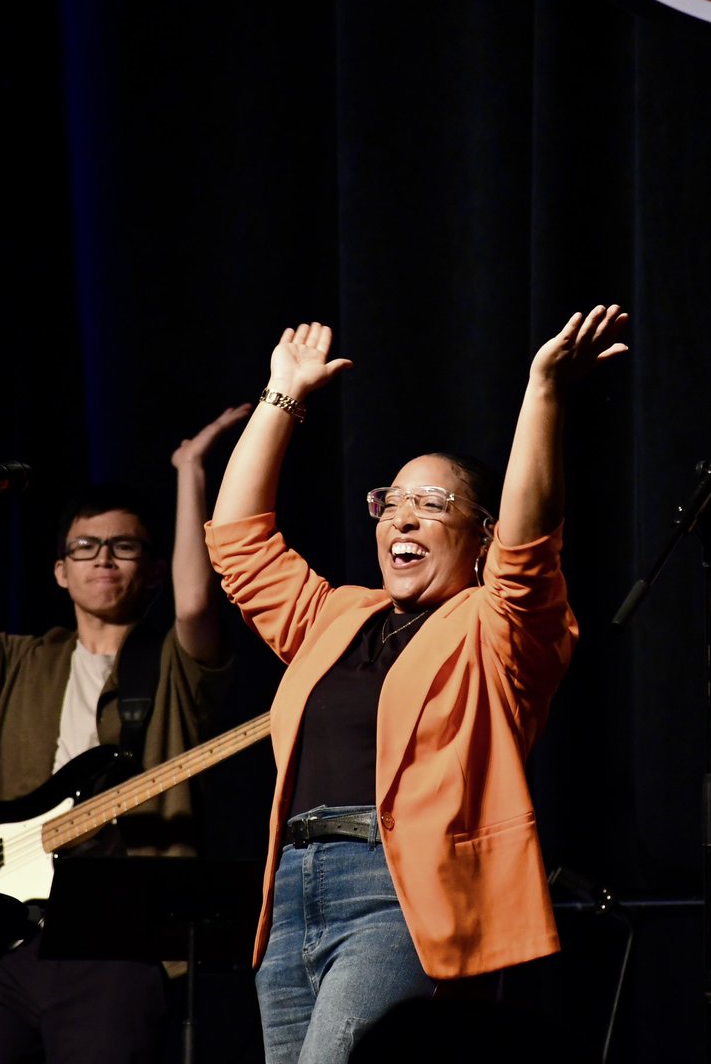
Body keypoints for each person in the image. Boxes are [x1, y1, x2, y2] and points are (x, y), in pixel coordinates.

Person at [205, 308, 628, 1064]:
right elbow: (238, 543)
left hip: (397, 893)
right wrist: (283, 397)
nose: (403, 516)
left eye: (432, 505)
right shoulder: (336, 615)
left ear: (480, 535)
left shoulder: (498, 628)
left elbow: (532, 543)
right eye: (390, 501)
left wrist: (544, 394)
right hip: (292, 889)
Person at [0, 402, 249, 1064]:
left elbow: (195, 602)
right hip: (5, 940)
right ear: (60, 570)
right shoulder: (21, 659)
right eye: (85, 548)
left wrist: (190, 474)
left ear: (151, 569)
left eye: (124, 548)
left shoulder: (176, 666)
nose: (103, 561)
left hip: (117, 943)